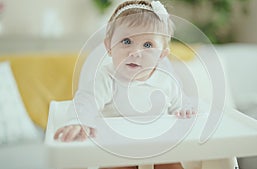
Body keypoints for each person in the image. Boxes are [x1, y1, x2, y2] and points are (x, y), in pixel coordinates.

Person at [54, 0, 196, 169]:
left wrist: (185, 109)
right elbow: (86, 99)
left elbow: (182, 104)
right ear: (109, 46)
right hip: (116, 148)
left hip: (158, 146)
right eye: (127, 41)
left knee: (171, 164)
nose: (135, 52)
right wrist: (79, 120)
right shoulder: (106, 78)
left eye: (148, 45)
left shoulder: (166, 81)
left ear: (162, 55)